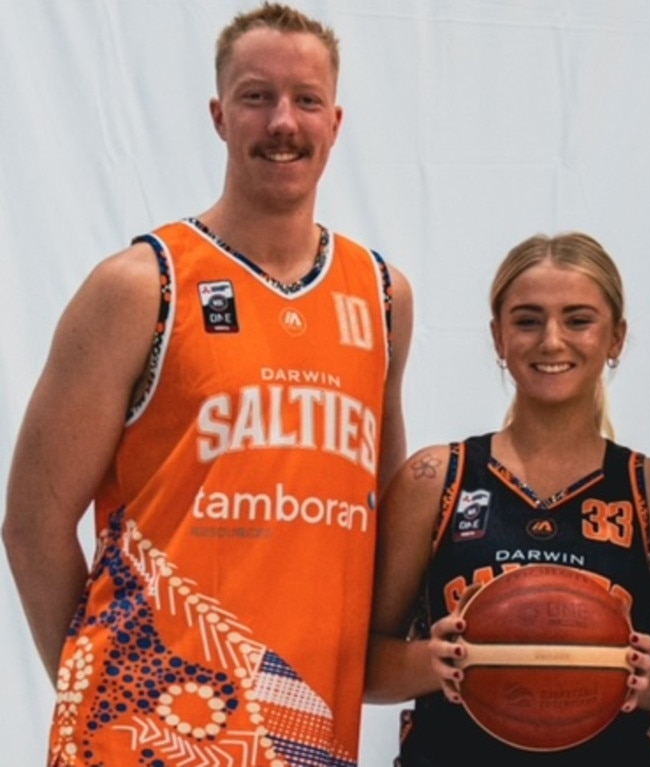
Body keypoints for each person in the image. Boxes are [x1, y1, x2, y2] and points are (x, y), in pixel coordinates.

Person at [2, 4, 412, 766]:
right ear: (220, 116)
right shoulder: (139, 285)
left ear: (336, 120)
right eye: (257, 97)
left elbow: (386, 512)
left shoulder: (384, 295)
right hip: (152, 733)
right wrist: (106, 685)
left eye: (306, 100)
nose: (282, 121)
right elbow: (31, 524)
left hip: (306, 731)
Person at [365, 232, 650, 766]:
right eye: (528, 320)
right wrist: (432, 663)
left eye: (578, 319)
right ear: (498, 336)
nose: (552, 341)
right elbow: (362, 665)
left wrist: (641, 681)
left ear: (617, 338)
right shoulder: (435, 478)